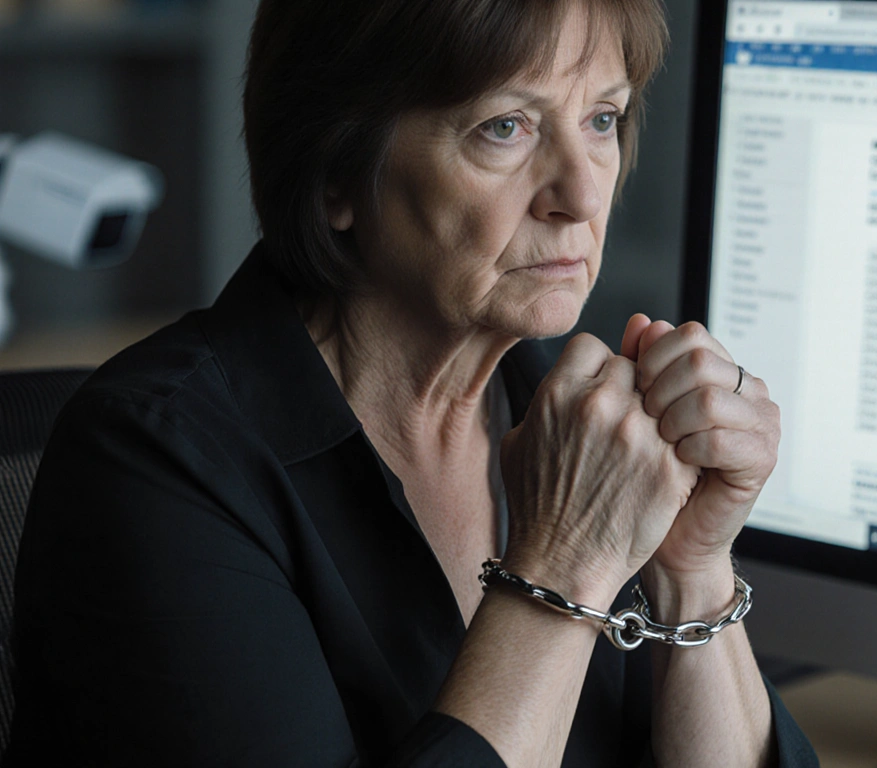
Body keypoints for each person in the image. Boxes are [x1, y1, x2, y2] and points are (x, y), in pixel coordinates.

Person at [7, 1, 819, 766]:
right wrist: (567, 562)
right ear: (338, 174)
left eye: (601, 119)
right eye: (505, 127)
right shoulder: (149, 466)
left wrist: (692, 566)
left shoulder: (592, 426)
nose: (581, 195)